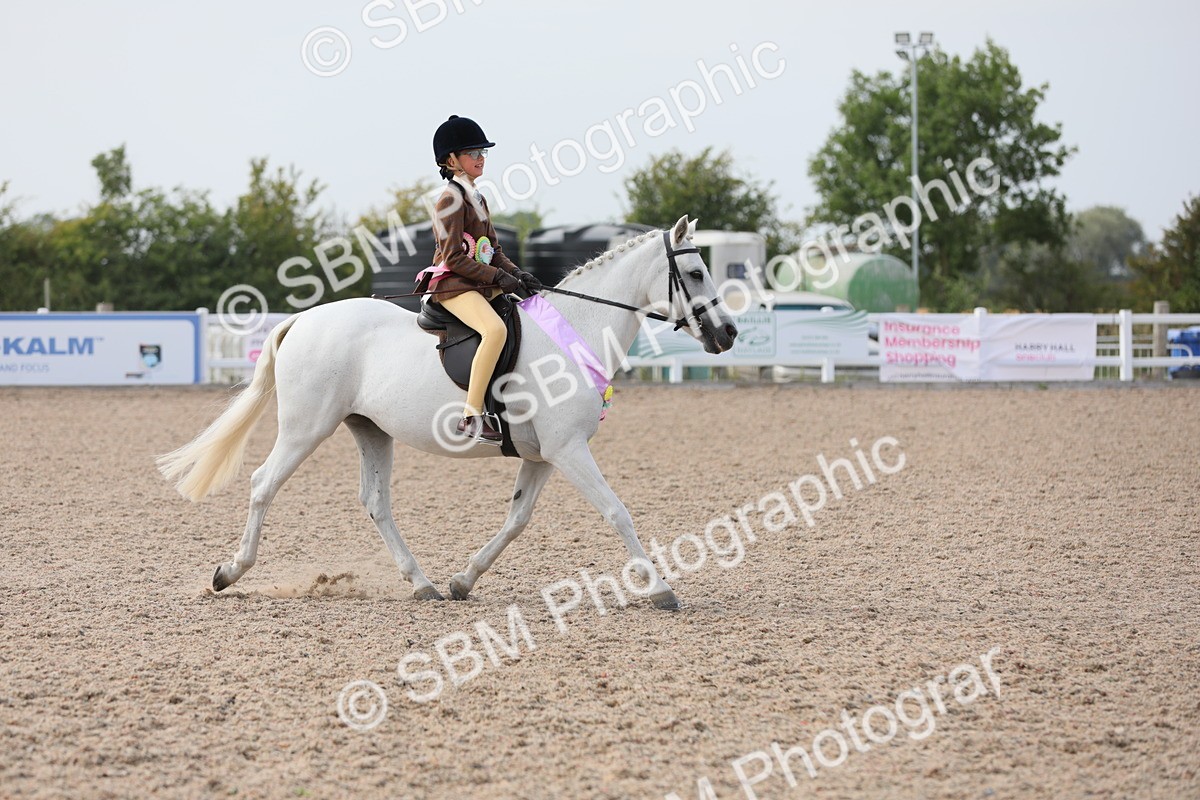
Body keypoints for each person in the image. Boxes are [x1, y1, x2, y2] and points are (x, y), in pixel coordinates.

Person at [419, 115, 542, 442]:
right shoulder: (449, 200)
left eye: (482, 152)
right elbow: (454, 258)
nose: (480, 158)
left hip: (478, 282)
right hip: (453, 285)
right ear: (451, 160)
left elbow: (491, 249)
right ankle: (471, 415)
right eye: (472, 153)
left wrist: (517, 274)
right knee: (494, 329)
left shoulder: (478, 198)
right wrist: (499, 277)